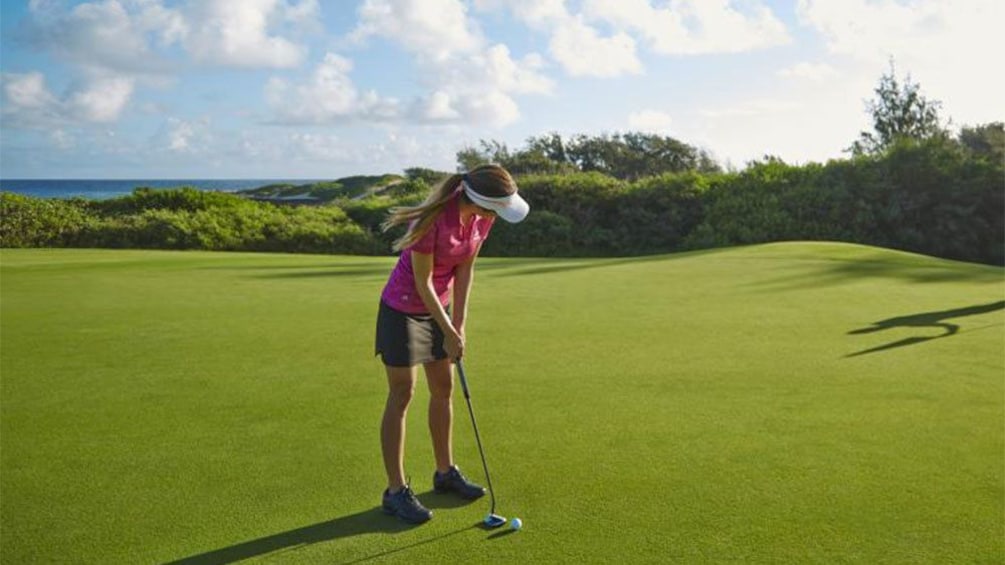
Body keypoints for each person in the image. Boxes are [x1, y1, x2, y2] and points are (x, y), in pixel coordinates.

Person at [375, 163, 529, 524]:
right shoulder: (431, 222)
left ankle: (445, 472)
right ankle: (395, 491)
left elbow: (465, 270)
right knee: (403, 393)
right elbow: (423, 282)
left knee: (443, 388)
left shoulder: (482, 220)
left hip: (439, 309)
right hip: (402, 310)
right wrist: (447, 328)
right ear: (483, 201)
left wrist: (458, 323)